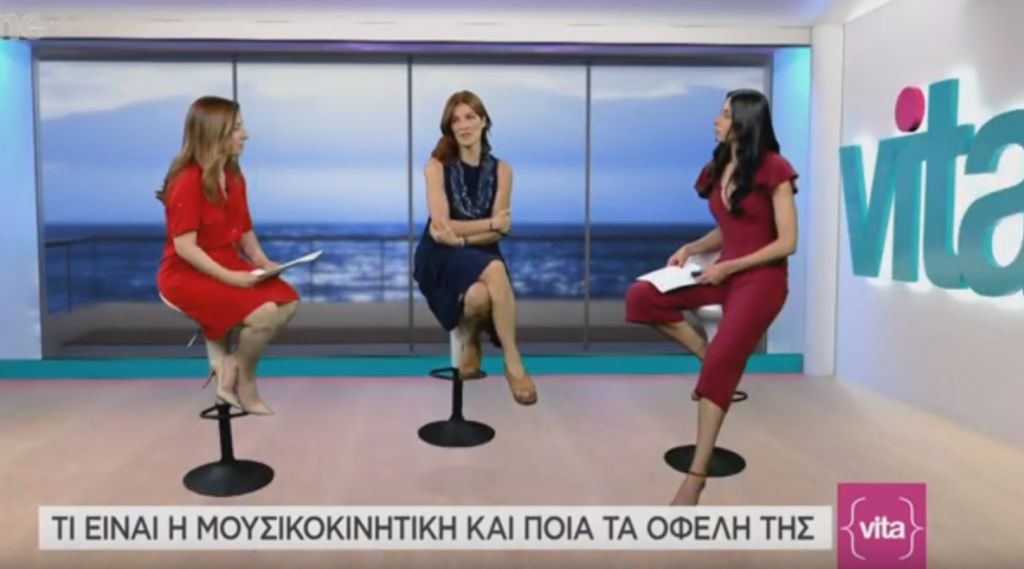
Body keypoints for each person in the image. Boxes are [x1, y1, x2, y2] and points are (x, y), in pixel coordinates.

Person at [624, 89, 798, 505]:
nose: (715, 121)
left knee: (722, 364)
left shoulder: (774, 168)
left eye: (724, 115)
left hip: (761, 280)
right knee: (641, 295)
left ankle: (695, 478)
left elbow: (787, 242)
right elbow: (730, 228)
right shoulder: (719, 166)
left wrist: (728, 267)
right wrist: (692, 248)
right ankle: (710, 360)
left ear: (745, 122)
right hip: (723, 271)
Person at [155, 95, 300, 416]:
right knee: (263, 313)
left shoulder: (234, 176)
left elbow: (244, 231)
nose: (245, 134)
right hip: (184, 274)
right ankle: (246, 383)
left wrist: (263, 263)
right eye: (236, 128)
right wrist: (232, 278)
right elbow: (185, 248)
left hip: (226, 264)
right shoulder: (186, 181)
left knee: (288, 300)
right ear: (213, 133)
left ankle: (232, 365)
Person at [413, 90, 538, 406]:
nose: (464, 125)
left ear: (484, 122)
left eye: (470, 117)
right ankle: (513, 360)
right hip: (439, 256)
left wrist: (466, 238)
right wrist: (490, 224)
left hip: (479, 249)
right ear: (449, 128)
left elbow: (499, 232)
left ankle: (470, 338)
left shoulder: (502, 170)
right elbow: (441, 226)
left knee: (481, 295)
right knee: (494, 269)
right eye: (456, 120)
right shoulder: (435, 166)